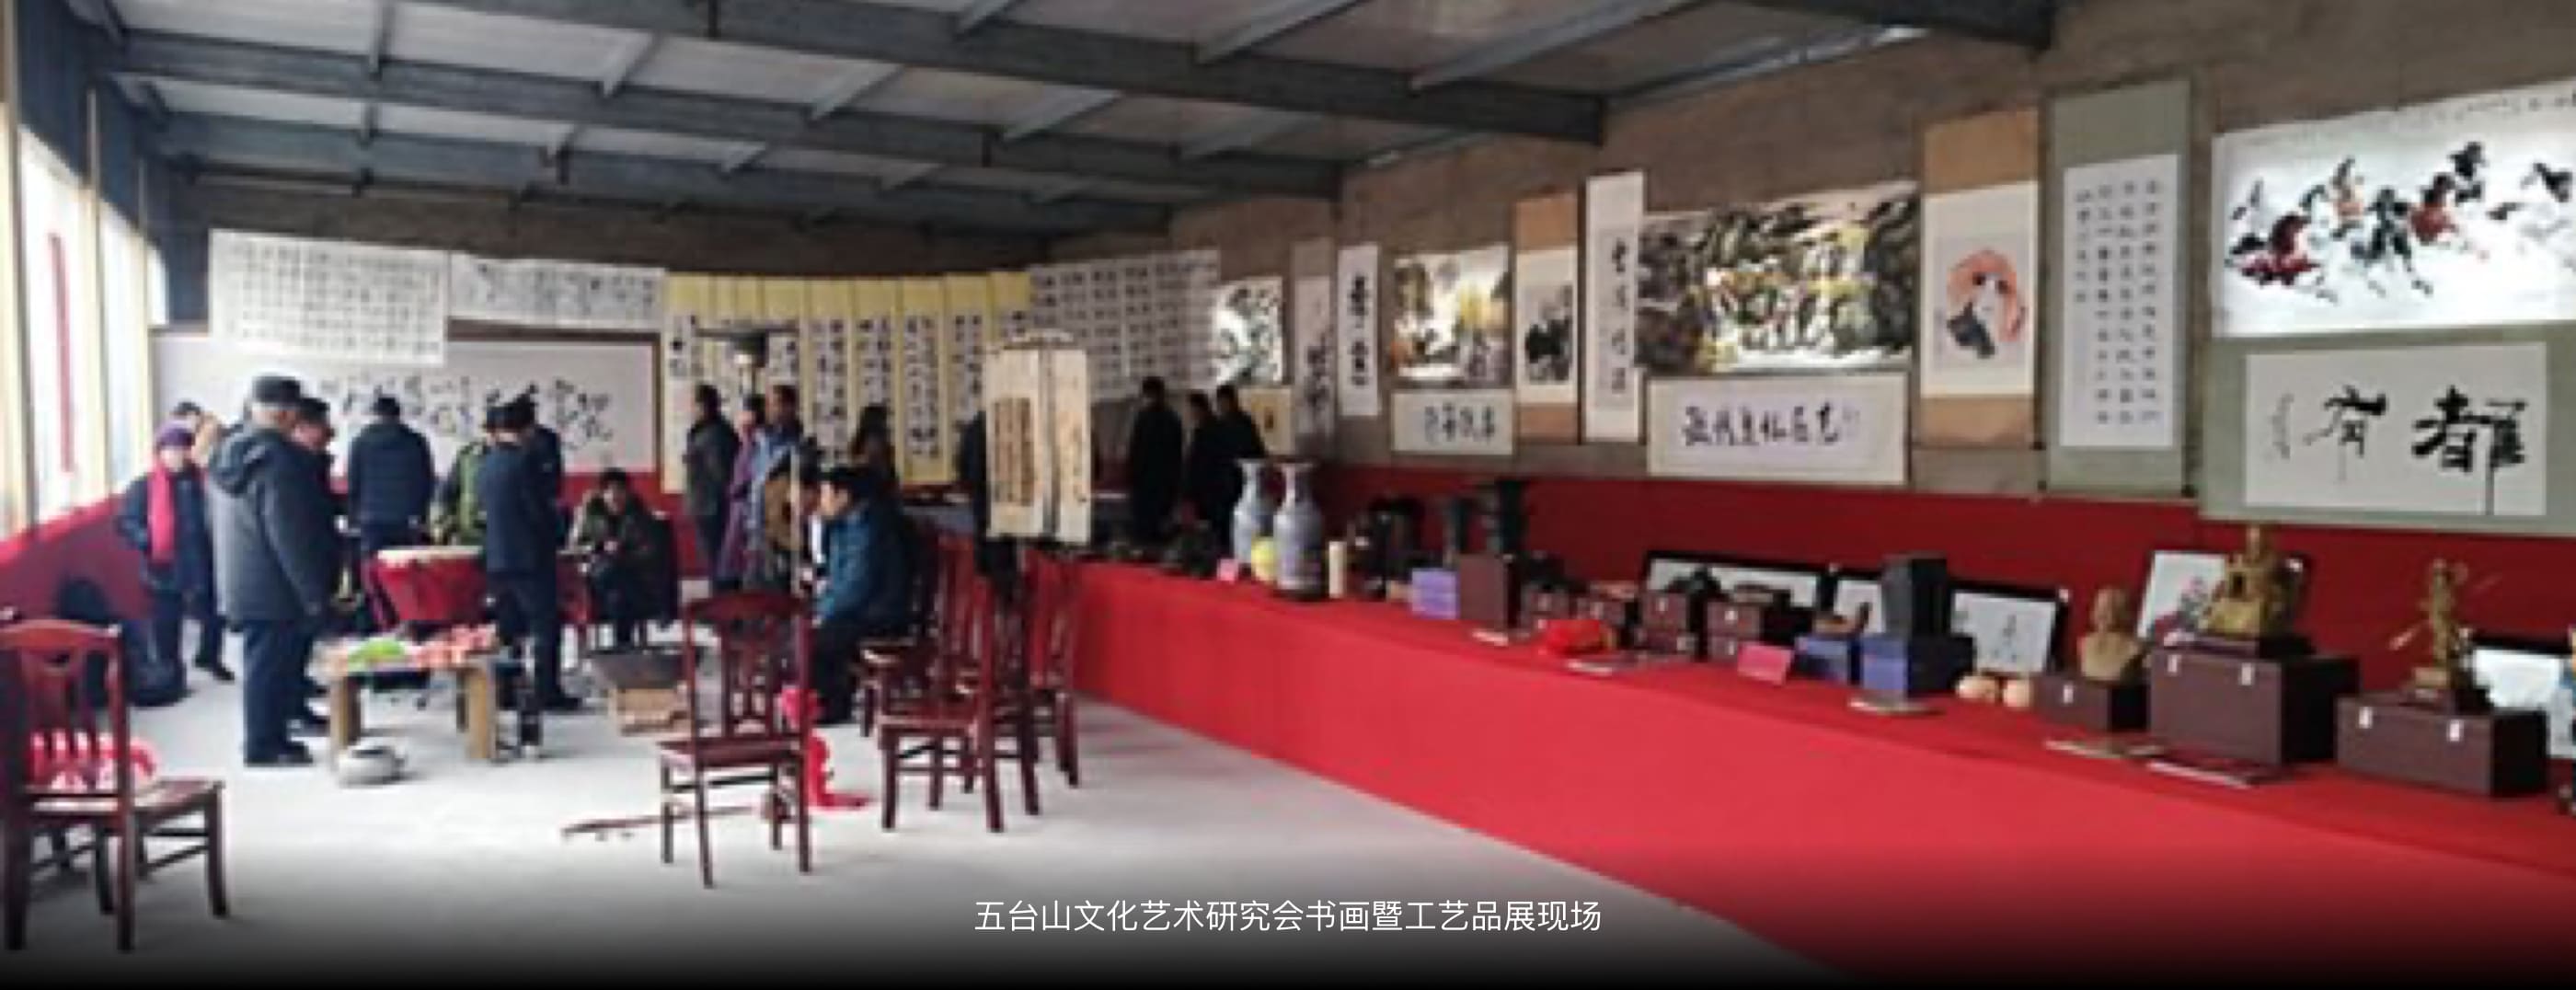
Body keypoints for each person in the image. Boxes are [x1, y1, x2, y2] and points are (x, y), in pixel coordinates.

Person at [207, 375, 341, 767]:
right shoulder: (277, 460)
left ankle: (274, 733)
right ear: (287, 414)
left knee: (266, 664)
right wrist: (313, 593)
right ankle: (264, 745)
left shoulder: (231, 451)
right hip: (274, 581)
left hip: (243, 574)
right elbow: (288, 533)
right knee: (268, 667)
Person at [478, 400, 576, 712]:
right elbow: (538, 510)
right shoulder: (525, 462)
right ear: (528, 429)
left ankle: (505, 690)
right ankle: (547, 691)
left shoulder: (487, 463)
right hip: (530, 557)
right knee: (546, 625)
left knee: (508, 627)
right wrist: (557, 534)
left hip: (497, 556)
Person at [119, 425, 229, 685]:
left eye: (182, 449)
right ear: (160, 453)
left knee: (214, 615)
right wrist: (147, 539)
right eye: (171, 450)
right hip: (164, 566)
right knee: (167, 622)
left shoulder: (204, 481)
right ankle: (170, 670)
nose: (177, 455)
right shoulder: (143, 487)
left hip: (204, 559)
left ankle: (209, 656)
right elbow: (126, 522)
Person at [811, 466, 914, 726]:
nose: (821, 501)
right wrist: (821, 608)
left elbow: (855, 587)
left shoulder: (868, 527)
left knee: (821, 638)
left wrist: (823, 614)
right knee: (809, 631)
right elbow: (836, 579)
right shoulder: (844, 525)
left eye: (825, 494)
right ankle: (815, 701)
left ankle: (831, 706)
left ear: (843, 497)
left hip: (881, 615)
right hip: (860, 610)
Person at [572, 468, 662, 650]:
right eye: (610, 492)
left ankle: (622, 646)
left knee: (617, 596)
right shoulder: (590, 515)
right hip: (596, 576)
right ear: (602, 494)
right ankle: (625, 643)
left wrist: (624, 553)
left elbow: (650, 551)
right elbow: (575, 547)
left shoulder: (639, 516)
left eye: (620, 491)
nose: (615, 497)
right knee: (612, 569)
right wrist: (599, 547)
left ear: (628, 493)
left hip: (631, 572)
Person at [346, 396, 436, 561]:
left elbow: (354, 483)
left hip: (371, 517)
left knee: (373, 566)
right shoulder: (416, 441)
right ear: (398, 414)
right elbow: (426, 481)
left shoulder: (360, 442)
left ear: (375, 415)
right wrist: (423, 517)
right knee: (405, 567)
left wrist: (352, 520)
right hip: (407, 518)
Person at [682, 384, 740, 591]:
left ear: (703, 406)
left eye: (693, 404)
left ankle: (721, 601)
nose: (690, 409)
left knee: (717, 559)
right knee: (714, 559)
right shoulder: (705, 431)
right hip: (706, 505)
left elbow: (721, 474)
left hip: (712, 507)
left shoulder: (714, 434)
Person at [1122, 376, 1184, 545]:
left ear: (1149, 394)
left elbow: (1135, 452)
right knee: (1160, 531)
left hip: (1145, 484)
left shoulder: (1144, 418)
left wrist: (1131, 477)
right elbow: (1177, 456)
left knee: (1144, 531)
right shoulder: (1173, 419)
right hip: (1164, 485)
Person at [718, 395, 768, 593]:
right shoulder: (746, 445)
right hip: (739, 507)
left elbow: (753, 476)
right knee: (734, 561)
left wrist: (736, 489)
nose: (741, 421)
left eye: (746, 414)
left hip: (747, 508)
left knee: (742, 563)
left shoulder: (758, 445)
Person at [431, 408, 501, 546]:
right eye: (489, 431)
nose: (492, 436)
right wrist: (442, 525)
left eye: (497, 431)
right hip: (468, 537)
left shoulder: (517, 458)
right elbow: (446, 493)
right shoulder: (467, 456)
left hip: (503, 537)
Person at [1183, 391, 1234, 529]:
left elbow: (1199, 463)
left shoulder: (1205, 431)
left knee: (1207, 527)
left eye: (1191, 410)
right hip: (1216, 489)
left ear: (1198, 408)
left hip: (1208, 490)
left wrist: (1188, 490)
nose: (1190, 414)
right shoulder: (1217, 427)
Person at [848, 403, 899, 491]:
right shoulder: (875, 440)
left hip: (866, 489)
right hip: (877, 489)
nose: (887, 423)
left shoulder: (860, 440)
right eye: (885, 419)